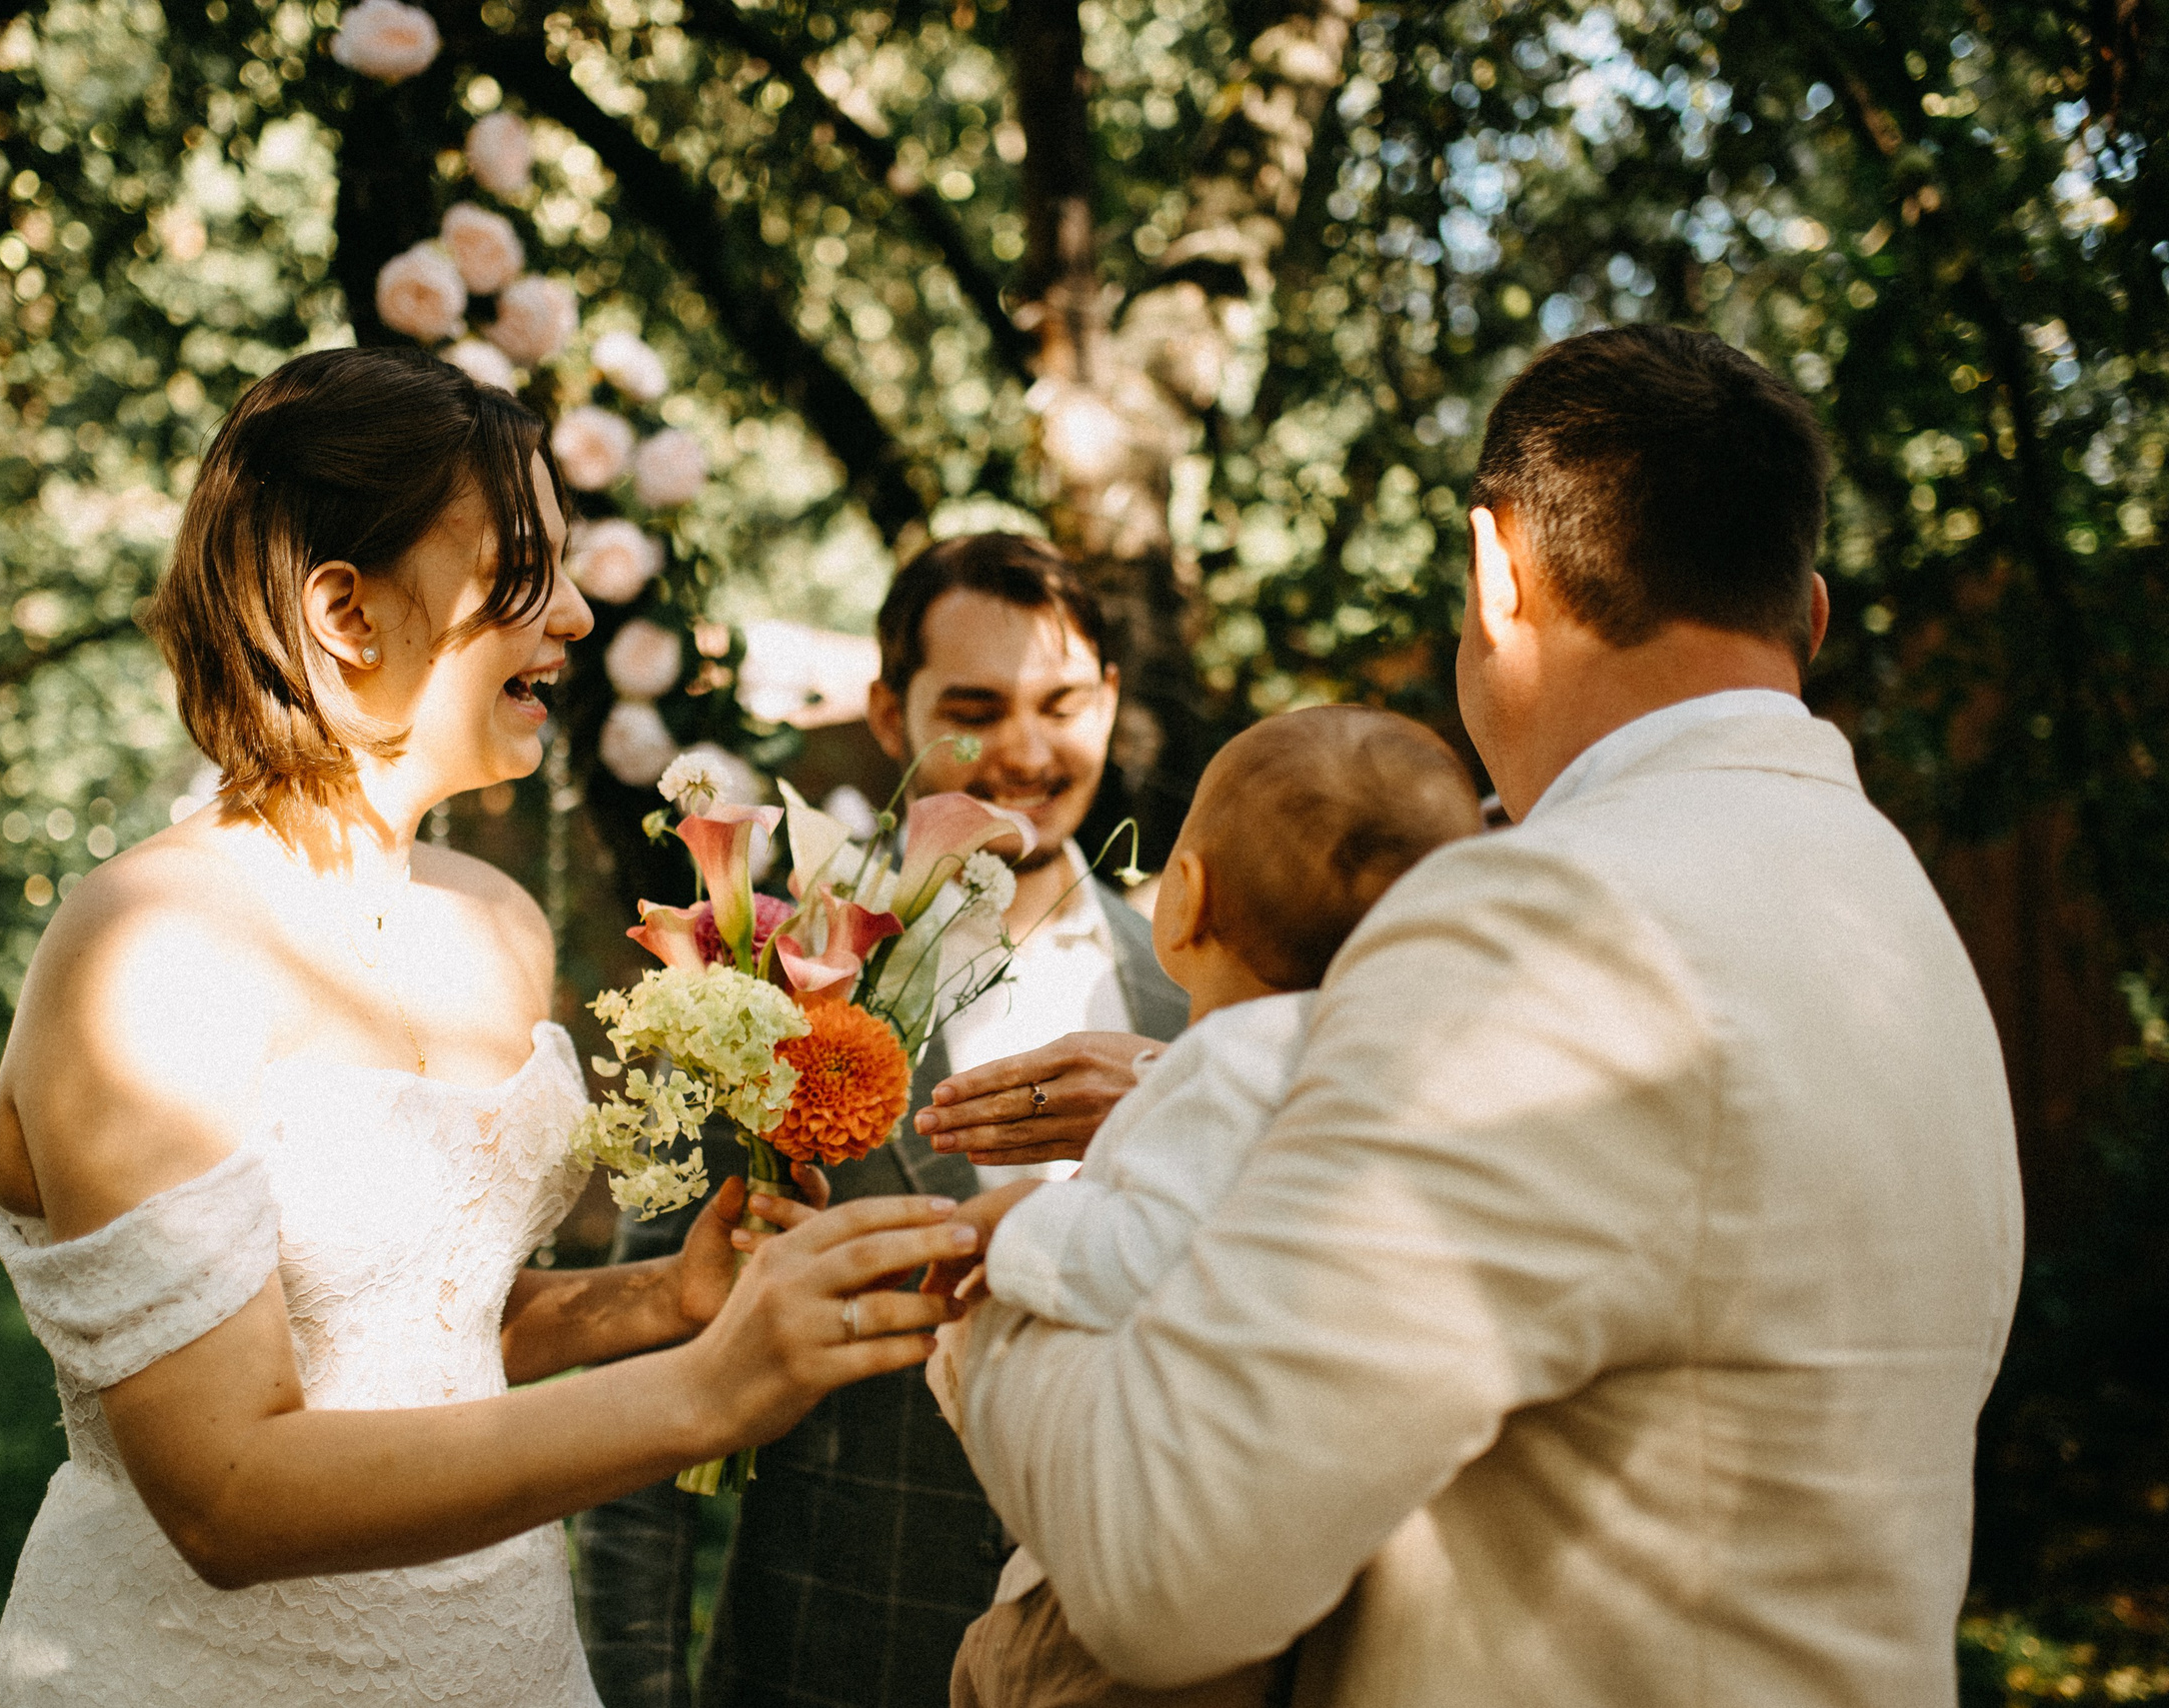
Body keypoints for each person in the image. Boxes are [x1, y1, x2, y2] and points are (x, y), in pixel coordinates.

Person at [945, 325, 2024, 1705]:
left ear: (1494, 572)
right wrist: (1203, 1087)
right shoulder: (1893, 915)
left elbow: (1169, 1567)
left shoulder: (1540, 920)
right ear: (1807, 616)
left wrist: (985, 1300)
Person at [0, 347, 975, 1706]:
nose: (570, 612)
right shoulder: (150, 955)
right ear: (344, 606)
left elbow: (411, 1343)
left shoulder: (495, 922)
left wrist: (663, 1302)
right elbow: (227, 1494)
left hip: (501, 1659)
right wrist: (706, 1393)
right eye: (523, 567)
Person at [576, 534, 1187, 1708]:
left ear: (1109, 698)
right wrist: (635, 1685)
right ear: (886, 712)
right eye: (972, 707)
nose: (1023, 748)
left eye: (1062, 702)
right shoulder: (765, 964)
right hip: (832, 1658)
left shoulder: (1196, 992)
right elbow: (649, 1364)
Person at [920, 706, 1483, 1708]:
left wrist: (1014, 1222)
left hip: (1109, 1609)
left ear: (1182, 899)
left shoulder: (1230, 1063)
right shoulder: (1373, 1066)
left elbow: (1149, 1249)